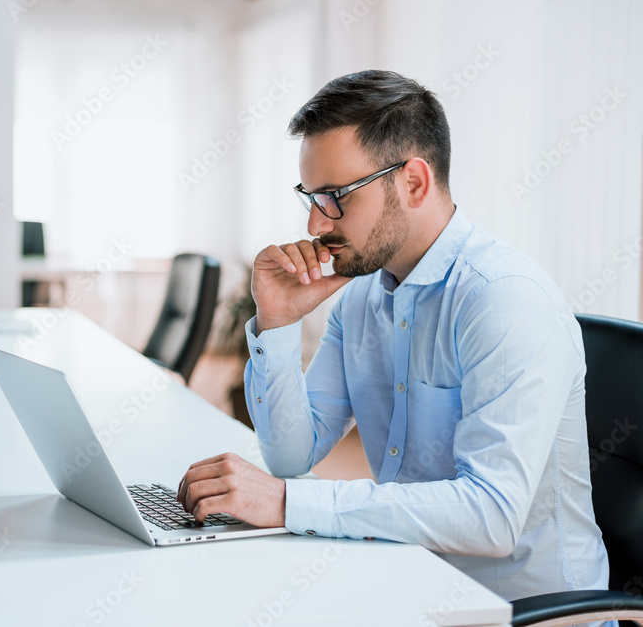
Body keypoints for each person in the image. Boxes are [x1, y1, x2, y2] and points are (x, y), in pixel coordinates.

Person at [176, 70, 610, 602]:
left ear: (413, 183)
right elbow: (292, 454)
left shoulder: (503, 301)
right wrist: (278, 322)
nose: (315, 224)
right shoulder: (361, 299)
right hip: (409, 583)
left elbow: (492, 517)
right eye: (310, 197)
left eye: (335, 196)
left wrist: (288, 503)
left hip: (520, 612)